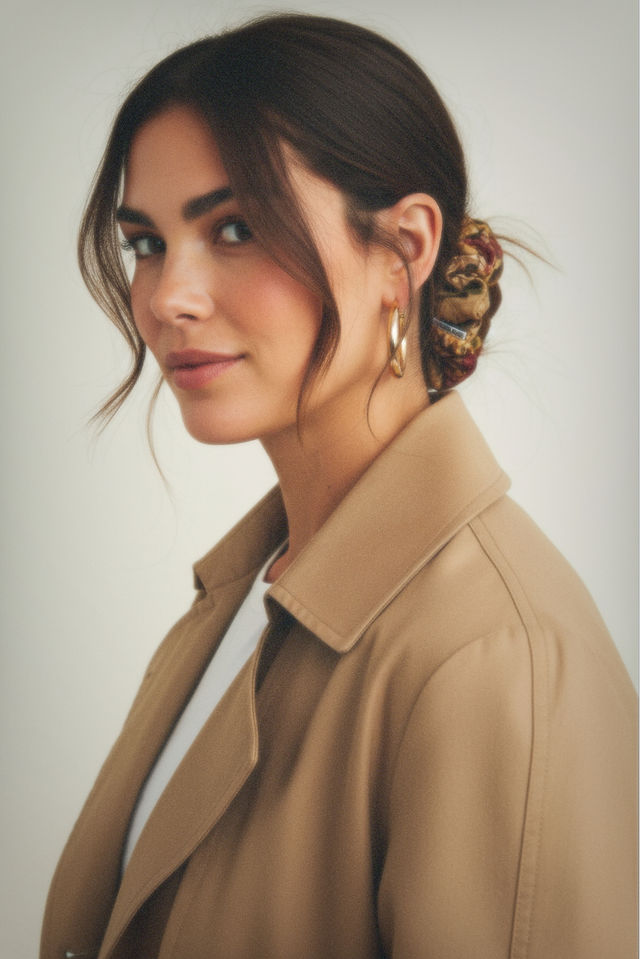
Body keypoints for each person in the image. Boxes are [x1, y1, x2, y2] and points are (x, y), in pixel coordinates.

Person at [40, 13, 636, 959]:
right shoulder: (245, 595)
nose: (165, 298)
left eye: (234, 228)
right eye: (146, 242)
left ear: (404, 253)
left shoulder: (496, 660)